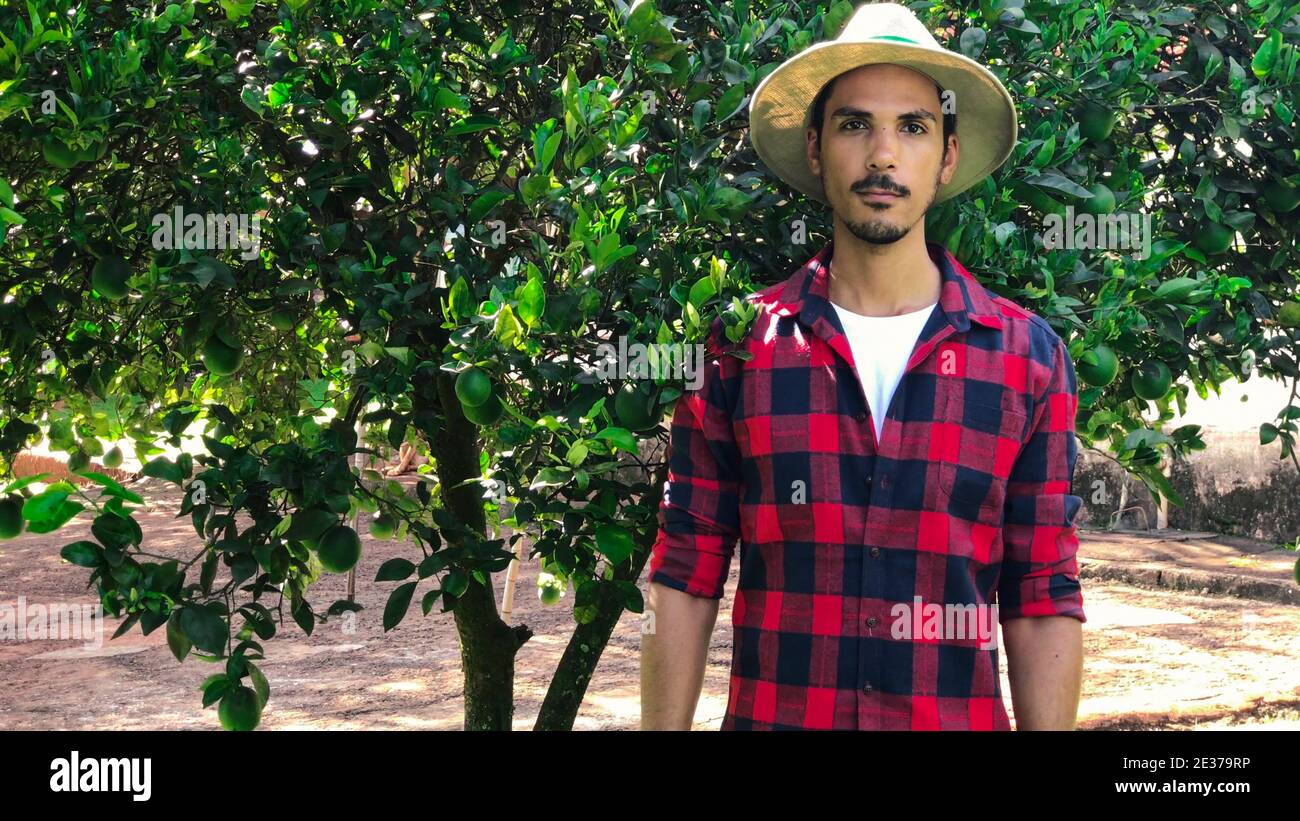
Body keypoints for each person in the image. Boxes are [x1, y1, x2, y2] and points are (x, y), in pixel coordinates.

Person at [641, 1, 1085, 730]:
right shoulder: (735, 346)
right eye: (855, 125)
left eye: (912, 127)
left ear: (945, 155)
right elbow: (686, 572)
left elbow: (1041, 591)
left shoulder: (1026, 358)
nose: (883, 156)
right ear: (816, 147)